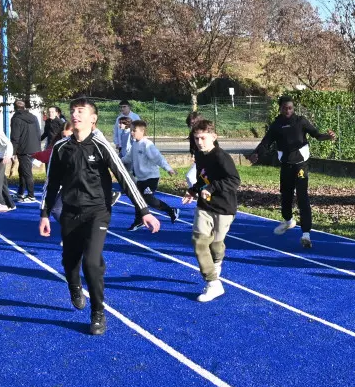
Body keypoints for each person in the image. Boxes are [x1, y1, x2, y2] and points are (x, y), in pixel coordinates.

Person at [40, 99, 159, 335]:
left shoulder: (101, 145)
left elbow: (124, 177)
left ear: (93, 119)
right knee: (69, 261)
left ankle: (97, 312)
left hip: (98, 211)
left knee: (92, 263)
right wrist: (44, 214)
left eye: (81, 112)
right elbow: (51, 183)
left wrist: (144, 210)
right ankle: (74, 285)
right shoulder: (62, 147)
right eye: (73, 111)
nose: (75, 115)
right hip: (70, 211)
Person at [247, 96, 336, 249]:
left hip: (301, 165)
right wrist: (257, 153)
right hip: (286, 165)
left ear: (293, 108)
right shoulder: (276, 125)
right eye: (285, 108)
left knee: (302, 196)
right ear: (280, 108)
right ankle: (288, 221)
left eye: (290, 108)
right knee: (286, 196)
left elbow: (316, 134)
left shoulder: (301, 121)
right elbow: (265, 143)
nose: (288, 110)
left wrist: (328, 136)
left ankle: (306, 234)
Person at [181, 120, 241, 302]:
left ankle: (217, 262)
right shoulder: (200, 156)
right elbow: (203, 178)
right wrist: (193, 190)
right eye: (196, 138)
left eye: (203, 138)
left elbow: (234, 180)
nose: (199, 142)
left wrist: (213, 188)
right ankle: (213, 284)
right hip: (204, 206)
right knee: (199, 242)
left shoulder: (221, 157)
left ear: (214, 137)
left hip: (224, 208)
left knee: (216, 245)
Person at [123, 119, 179, 228]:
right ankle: (139, 220)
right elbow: (128, 158)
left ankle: (171, 210)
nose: (132, 133)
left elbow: (158, 158)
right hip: (140, 178)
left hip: (151, 177)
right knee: (137, 198)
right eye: (131, 130)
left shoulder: (147, 145)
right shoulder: (134, 144)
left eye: (134, 130)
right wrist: (115, 161)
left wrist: (168, 168)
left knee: (148, 198)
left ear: (142, 131)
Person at [9, 99, 41, 202]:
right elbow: (38, 133)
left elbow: (15, 137)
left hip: (23, 149)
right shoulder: (34, 117)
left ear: (15, 108)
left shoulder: (16, 119)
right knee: (22, 171)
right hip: (34, 148)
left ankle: (31, 195)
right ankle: (20, 193)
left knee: (26, 172)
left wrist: (13, 152)